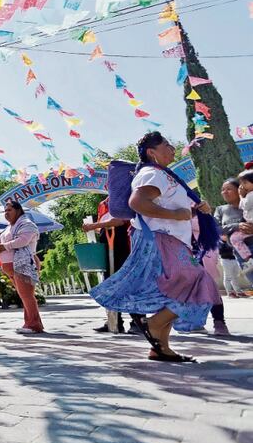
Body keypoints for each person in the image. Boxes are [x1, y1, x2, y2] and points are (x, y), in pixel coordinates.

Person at [90, 132, 219, 362]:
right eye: (167, 145)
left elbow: (173, 209)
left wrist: (194, 210)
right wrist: (176, 215)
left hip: (172, 240)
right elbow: (137, 203)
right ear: (152, 153)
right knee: (199, 281)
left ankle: (161, 348)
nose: (172, 148)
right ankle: (153, 323)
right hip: (163, 240)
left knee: (173, 290)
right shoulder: (152, 173)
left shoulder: (163, 175)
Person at [83, 199, 145, 334]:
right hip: (107, 246)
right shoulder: (102, 205)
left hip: (124, 246)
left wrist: (93, 225)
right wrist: (95, 227)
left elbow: (120, 221)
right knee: (109, 284)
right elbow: (103, 225)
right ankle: (114, 321)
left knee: (129, 284)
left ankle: (138, 321)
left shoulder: (123, 199)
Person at [0, 201, 44, 334]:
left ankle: (33, 325)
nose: (6, 213)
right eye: (5, 211)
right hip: (11, 266)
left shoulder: (27, 224)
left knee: (27, 295)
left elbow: (23, 241)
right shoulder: (9, 227)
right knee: (24, 295)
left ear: (18, 210)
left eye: (9, 210)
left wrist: (4, 246)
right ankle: (31, 323)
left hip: (23, 264)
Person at [216, 177, 253, 303]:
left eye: (229, 189)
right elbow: (216, 229)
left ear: (240, 189)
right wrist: (236, 226)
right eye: (223, 190)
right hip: (241, 255)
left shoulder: (249, 203)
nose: (224, 192)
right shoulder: (220, 209)